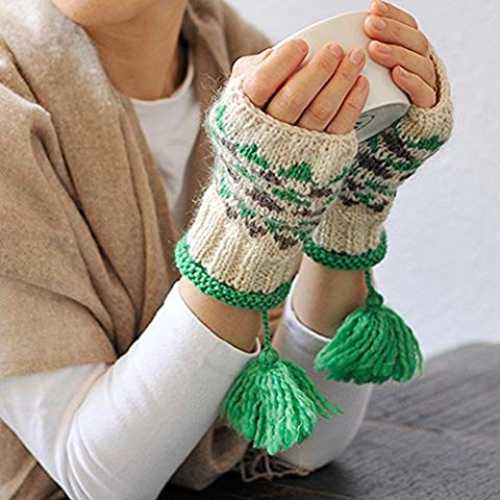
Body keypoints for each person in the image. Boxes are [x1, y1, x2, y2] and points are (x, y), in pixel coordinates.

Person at [0, 0, 453, 498]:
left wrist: (346, 209)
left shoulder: (243, 59)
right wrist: (247, 224)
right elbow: (98, 484)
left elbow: (301, 443)